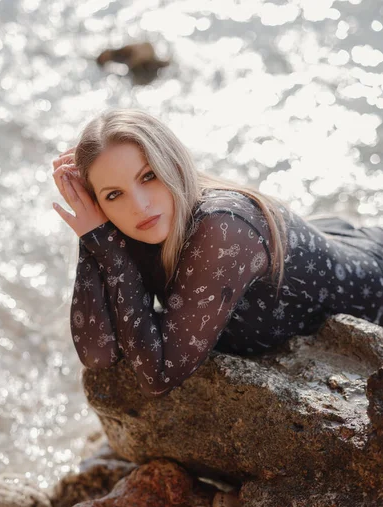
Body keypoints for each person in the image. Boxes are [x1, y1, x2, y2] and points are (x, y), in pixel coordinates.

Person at [52, 108, 383, 398]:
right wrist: (92, 231)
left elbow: (159, 376)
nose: (139, 206)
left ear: (173, 165)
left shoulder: (221, 230)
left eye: (149, 176)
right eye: (113, 195)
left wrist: (107, 246)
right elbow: (98, 353)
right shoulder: (138, 225)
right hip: (331, 237)